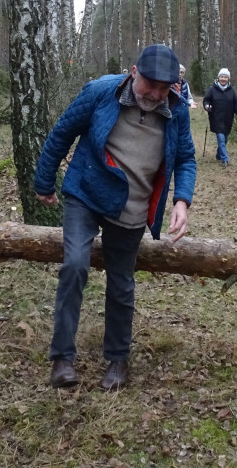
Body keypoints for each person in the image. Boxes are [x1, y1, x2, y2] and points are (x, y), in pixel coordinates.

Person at [34, 44, 197, 391]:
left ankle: (118, 360)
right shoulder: (100, 92)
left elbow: (185, 158)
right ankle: (62, 358)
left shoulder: (177, 110)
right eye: (149, 84)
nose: (154, 94)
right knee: (75, 264)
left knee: (121, 283)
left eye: (163, 88)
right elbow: (62, 133)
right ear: (134, 72)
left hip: (133, 206)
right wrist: (44, 182)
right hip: (87, 192)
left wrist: (181, 201)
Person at [202, 67, 237, 167]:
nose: (223, 79)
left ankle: (218, 155)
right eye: (221, 76)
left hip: (228, 119)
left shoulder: (232, 90)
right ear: (218, 78)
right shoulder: (212, 89)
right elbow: (206, 100)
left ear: (228, 79)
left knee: (225, 139)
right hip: (216, 118)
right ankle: (225, 160)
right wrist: (207, 106)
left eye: (225, 77)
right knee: (220, 138)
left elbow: (236, 104)